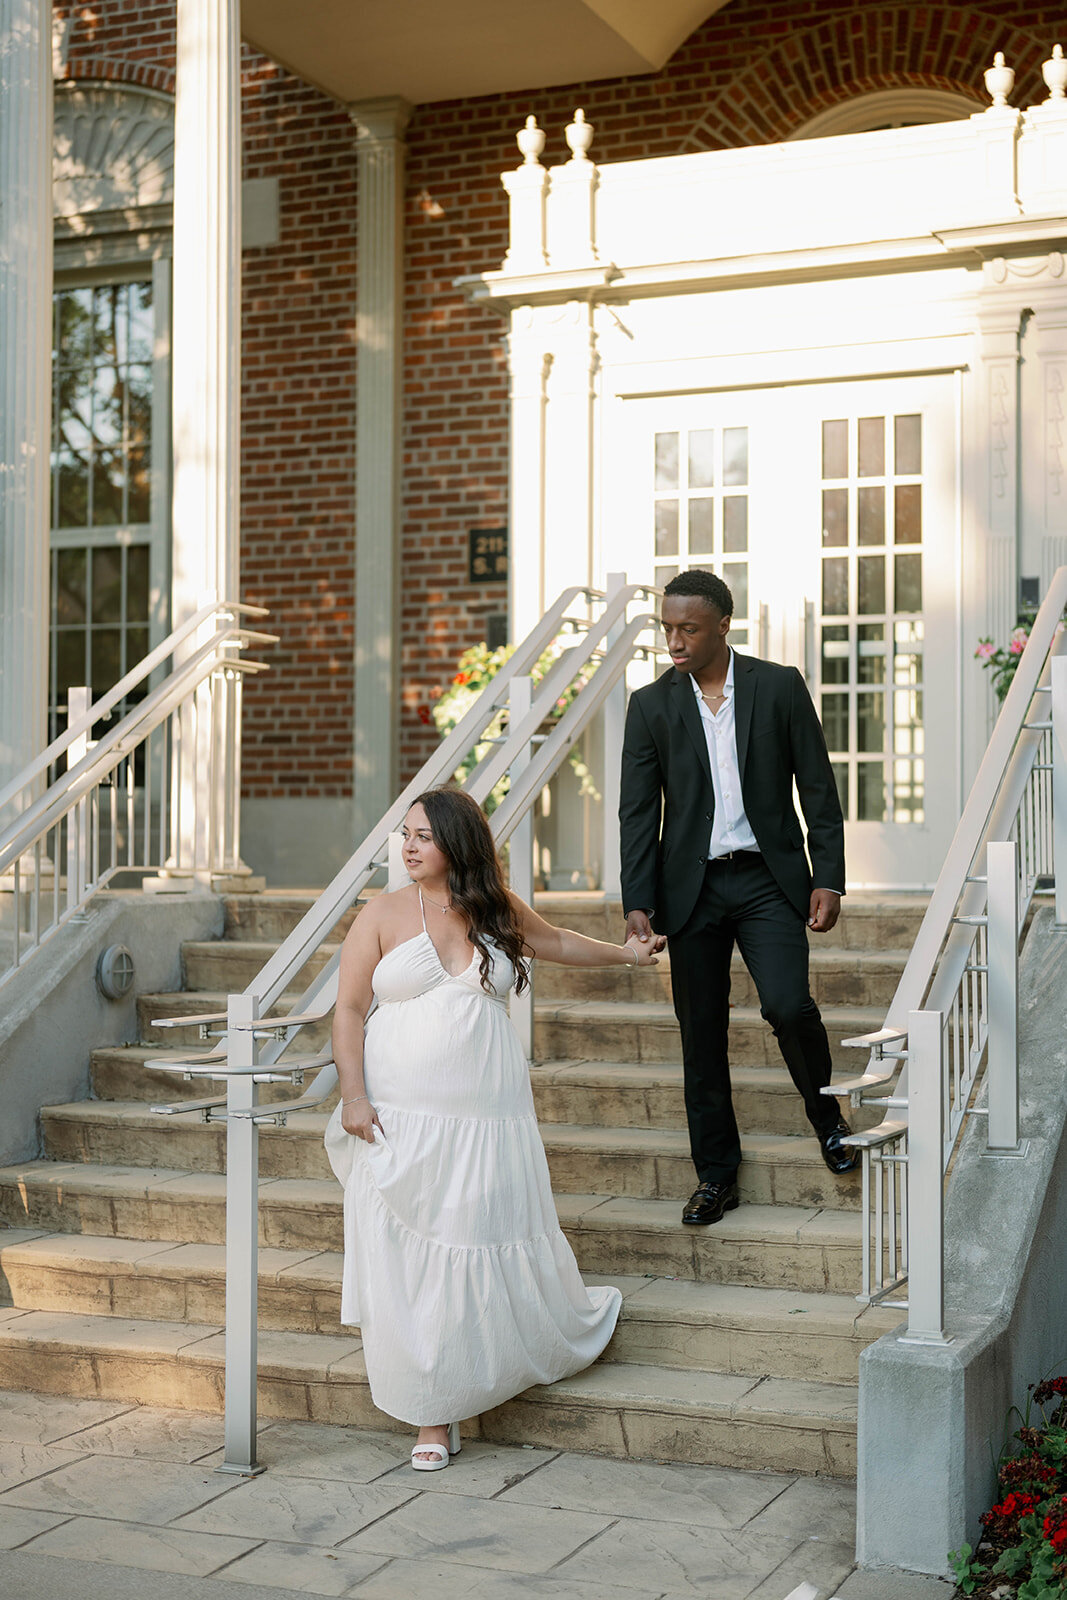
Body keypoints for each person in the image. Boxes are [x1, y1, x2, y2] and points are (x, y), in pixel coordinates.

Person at [324, 785, 659, 1470]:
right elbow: (349, 1009)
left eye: (423, 835)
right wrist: (353, 1096)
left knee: (473, 1238)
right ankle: (433, 1413)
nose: (409, 847)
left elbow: (555, 940)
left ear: (457, 842)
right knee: (417, 1256)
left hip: (487, 1120)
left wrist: (627, 955)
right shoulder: (381, 913)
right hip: (403, 1117)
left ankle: (471, 1375)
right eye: (405, 835)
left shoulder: (494, 907)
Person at [619, 569, 858, 1230]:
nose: (674, 641)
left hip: (765, 880)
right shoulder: (650, 705)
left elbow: (817, 789)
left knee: (787, 1004)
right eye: (667, 628)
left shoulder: (778, 686)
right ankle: (716, 1174)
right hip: (689, 889)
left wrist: (828, 876)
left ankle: (827, 1118)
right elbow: (637, 813)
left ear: (722, 625)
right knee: (701, 1032)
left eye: (688, 629)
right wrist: (638, 899)